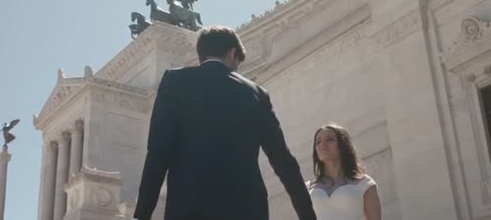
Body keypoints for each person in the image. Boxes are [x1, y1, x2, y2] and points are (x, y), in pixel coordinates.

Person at [134, 25, 316, 220]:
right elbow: (283, 160)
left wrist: (141, 215)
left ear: (200, 54)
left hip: (189, 207)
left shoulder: (175, 81)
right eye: (237, 63)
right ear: (232, 53)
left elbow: (158, 153)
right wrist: (308, 216)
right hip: (247, 210)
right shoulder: (256, 93)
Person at [308, 124, 381, 220]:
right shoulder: (307, 188)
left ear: (343, 145)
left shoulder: (365, 184)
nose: (322, 144)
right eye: (318, 142)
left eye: (330, 139)